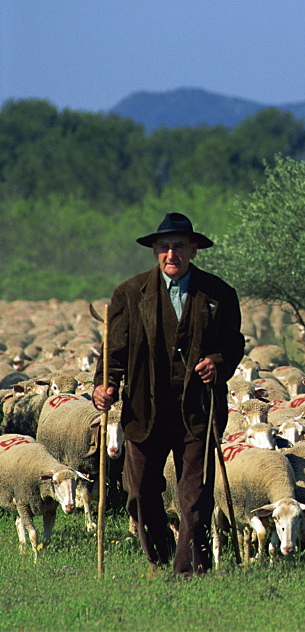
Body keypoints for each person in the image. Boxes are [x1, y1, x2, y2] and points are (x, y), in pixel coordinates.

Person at [93, 212, 244, 576]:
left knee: (194, 497)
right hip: (145, 409)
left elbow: (233, 344)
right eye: (164, 247)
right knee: (140, 492)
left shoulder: (218, 293)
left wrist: (217, 363)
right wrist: (105, 383)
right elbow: (113, 350)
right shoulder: (129, 294)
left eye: (178, 246)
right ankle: (158, 557)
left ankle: (189, 570)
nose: (171, 254)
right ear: (154, 252)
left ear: (193, 249)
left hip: (198, 408)